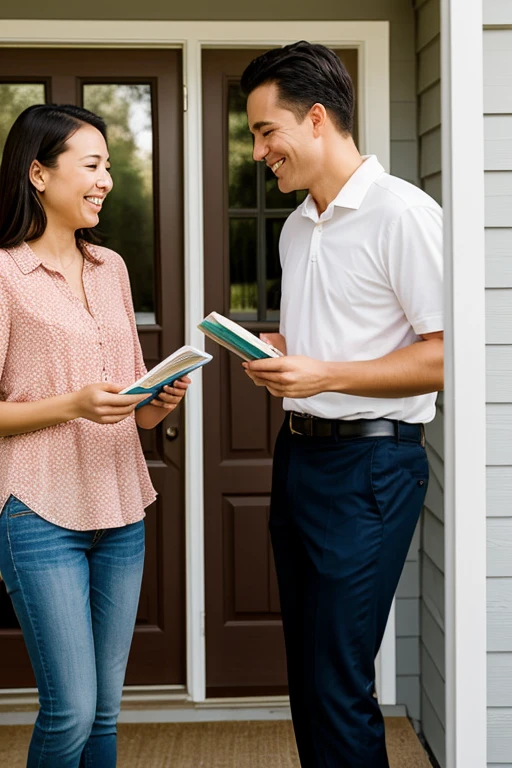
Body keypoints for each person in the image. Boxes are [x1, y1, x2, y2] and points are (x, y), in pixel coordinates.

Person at [240, 42, 443, 768]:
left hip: (372, 468)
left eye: (267, 131)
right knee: (308, 679)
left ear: (317, 118)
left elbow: (446, 355)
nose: (260, 150)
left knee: (337, 684)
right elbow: (330, 341)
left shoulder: (404, 214)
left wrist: (322, 372)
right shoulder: (299, 227)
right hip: (299, 460)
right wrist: (285, 354)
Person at [0, 103, 190, 767]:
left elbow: (131, 407)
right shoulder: (3, 274)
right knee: (71, 709)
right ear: (39, 174)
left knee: (106, 711)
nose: (106, 179)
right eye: (92, 165)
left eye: (108, 165)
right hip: (38, 510)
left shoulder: (110, 268)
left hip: (119, 505)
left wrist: (159, 401)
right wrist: (71, 405)